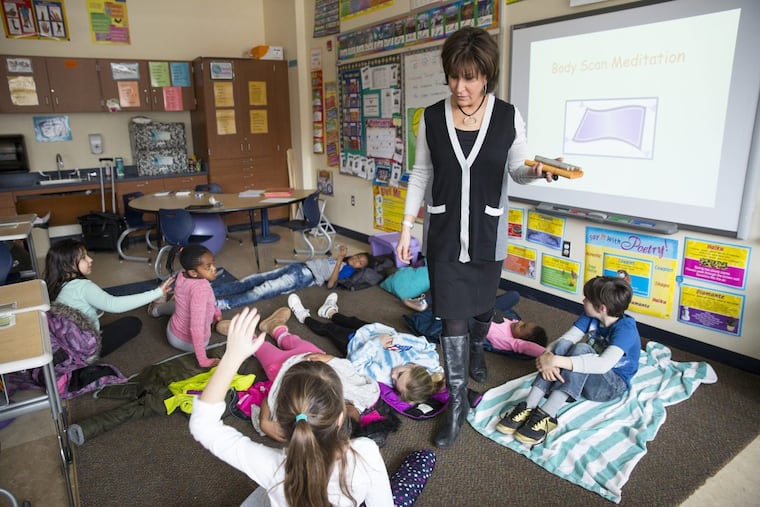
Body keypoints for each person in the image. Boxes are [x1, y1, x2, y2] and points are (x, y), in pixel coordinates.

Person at [395, 26, 555, 447]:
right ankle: (457, 403)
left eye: (470, 78)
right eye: (453, 76)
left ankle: (479, 347)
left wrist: (536, 173)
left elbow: (518, 169)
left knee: (483, 307)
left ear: (486, 76)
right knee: (451, 315)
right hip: (444, 233)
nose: (460, 87)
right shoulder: (430, 117)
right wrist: (406, 226)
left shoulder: (507, 116)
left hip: (487, 231)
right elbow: (422, 173)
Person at [189, 307, 395, 507]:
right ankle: (276, 329)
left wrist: (232, 357)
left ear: (283, 421)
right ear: (340, 418)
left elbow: (204, 427)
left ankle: (273, 331)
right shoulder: (366, 452)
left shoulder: (274, 468)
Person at [496, 276, 641, 445]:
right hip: (584, 380)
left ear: (601, 308)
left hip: (611, 386)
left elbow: (603, 365)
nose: (583, 300)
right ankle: (529, 404)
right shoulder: (591, 315)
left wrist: (556, 361)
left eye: (587, 298)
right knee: (566, 345)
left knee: (581, 350)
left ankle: (548, 414)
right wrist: (547, 355)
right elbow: (565, 340)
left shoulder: (626, 330)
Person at [248, 307, 380, 444]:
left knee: (261, 347)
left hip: (282, 367)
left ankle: (247, 336)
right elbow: (351, 370)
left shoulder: (306, 410)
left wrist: (265, 422)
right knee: (291, 340)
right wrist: (329, 358)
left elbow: (272, 398)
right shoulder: (366, 395)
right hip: (313, 356)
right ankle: (275, 327)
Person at [288, 293, 445, 404]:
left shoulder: (383, 376)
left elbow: (354, 366)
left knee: (327, 330)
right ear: (416, 367)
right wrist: (395, 337)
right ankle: (330, 311)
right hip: (375, 330)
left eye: (395, 382)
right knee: (351, 320)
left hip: (354, 342)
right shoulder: (429, 362)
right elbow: (427, 345)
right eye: (400, 374)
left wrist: (376, 344)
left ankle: (304, 316)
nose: (393, 375)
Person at [44, 239, 174, 356]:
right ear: (67, 266)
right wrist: (157, 292)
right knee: (133, 323)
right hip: (84, 348)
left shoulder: (55, 285)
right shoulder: (83, 287)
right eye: (83, 257)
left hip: (66, 342)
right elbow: (114, 305)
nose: (90, 259)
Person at [213, 245, 372, 310]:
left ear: (360, 269)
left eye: (360, 263)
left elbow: (330, 285)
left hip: (304, 276)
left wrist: (339, 260)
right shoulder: (343, 261)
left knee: (262, 289)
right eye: (357, 257)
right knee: (252, 280)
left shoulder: (347, 270)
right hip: (298, 267)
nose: (356, 260)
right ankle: (213, 291)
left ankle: (222, 304)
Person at [149, 244, 228, 368]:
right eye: (208, 267)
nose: (214, 268)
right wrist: (203, 360)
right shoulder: (202, 288)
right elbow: (196, 328)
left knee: (179, 306)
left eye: (213, 263)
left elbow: (208, 301)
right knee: (183, 308)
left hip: (174, 334)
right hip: (190, 344)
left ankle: (156, 310)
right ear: (193, 272)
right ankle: (159, 306)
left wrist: (215, 311)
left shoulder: (182, 274)